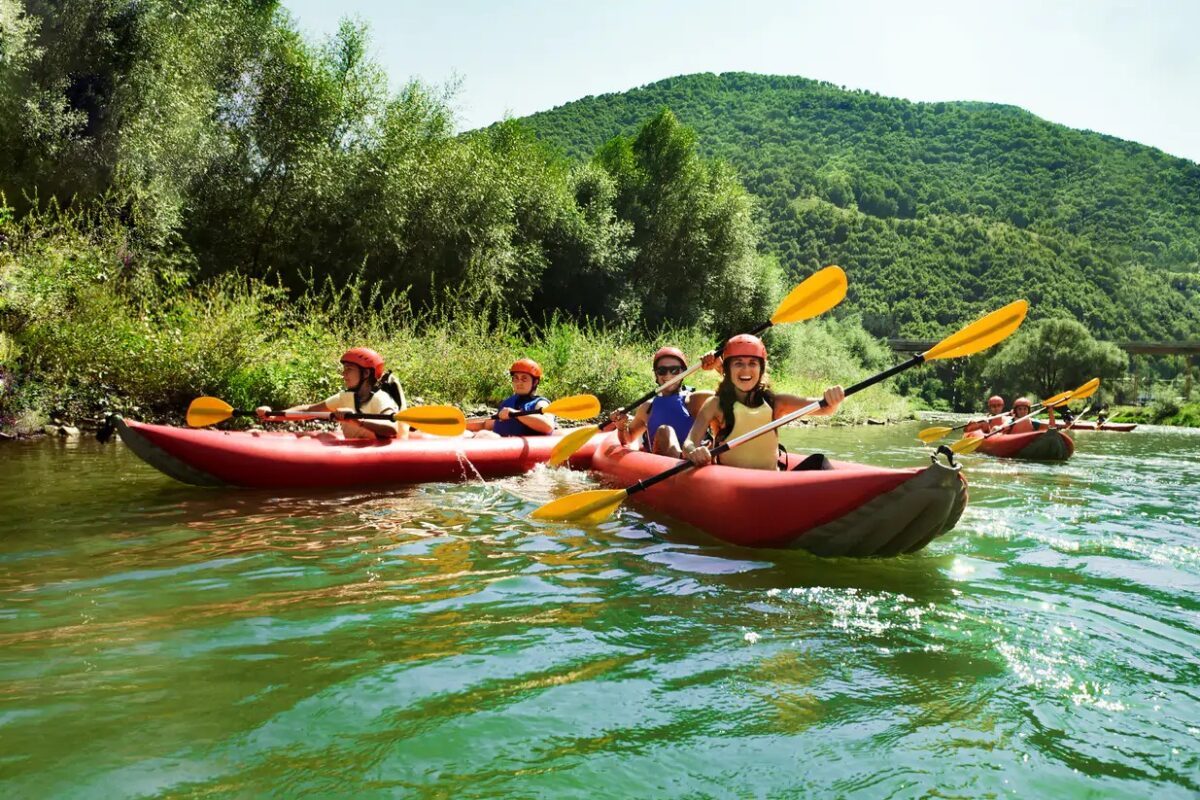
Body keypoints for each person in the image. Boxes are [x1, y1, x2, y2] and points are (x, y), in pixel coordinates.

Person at [682, 334, 845, 471]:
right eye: (738, 363)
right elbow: (689, 442)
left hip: (771, 482)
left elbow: (825, 409)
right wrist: (693, 451)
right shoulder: (715, 404)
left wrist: (833, 399)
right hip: (733, 482)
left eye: (752, 363)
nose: (746, 370)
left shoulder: (776, 402)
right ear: (728, 369)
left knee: (819, 461)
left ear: (761, 369)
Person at [256, 347, 404, 439]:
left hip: (379, 450)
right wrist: (274, 415)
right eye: (344, 370)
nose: (344, 375)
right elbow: (308, 410)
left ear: (365, 373)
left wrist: (357, 420)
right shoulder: (344, 398)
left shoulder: (381, 398)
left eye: (349, 370)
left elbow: (391, 429)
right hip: (354, 448)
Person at [609, 347, 714, 457]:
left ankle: (687, 457)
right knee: (664, 432)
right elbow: (628, 439)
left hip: (697, 461)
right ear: (656, 375)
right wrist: (621, 426)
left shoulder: (695, 400)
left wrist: (719, 367)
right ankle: (682, 457)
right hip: (662, 465)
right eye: (662, 371)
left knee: (665, 431)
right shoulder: (647, 407)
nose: (668, 375)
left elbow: (730, 399)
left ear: (683, 372)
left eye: (675, 370)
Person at [467, 358, 555, 437]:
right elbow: (487, 425)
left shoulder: (540, 403)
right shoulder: (507, 403)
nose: (519, 383)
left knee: (484, 435)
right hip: (501, 449)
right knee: (467, 434)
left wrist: (515, 414)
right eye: (516, 378)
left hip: (526, 452)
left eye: (524, 379)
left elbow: (548, 426)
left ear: (535, 382)